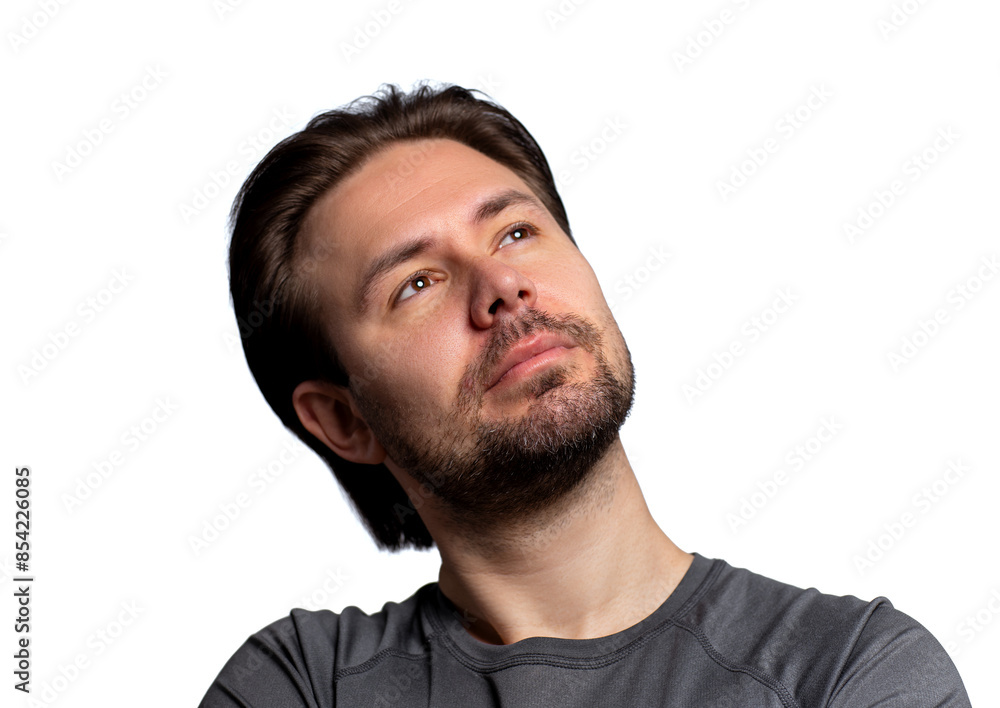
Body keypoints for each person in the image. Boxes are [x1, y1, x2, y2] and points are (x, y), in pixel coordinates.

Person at [200, 83, 971, 707]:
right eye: (417, 284)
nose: (502, 286)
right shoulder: (302, 684)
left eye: (513, 233)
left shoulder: (849, 671)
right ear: (343, 418)